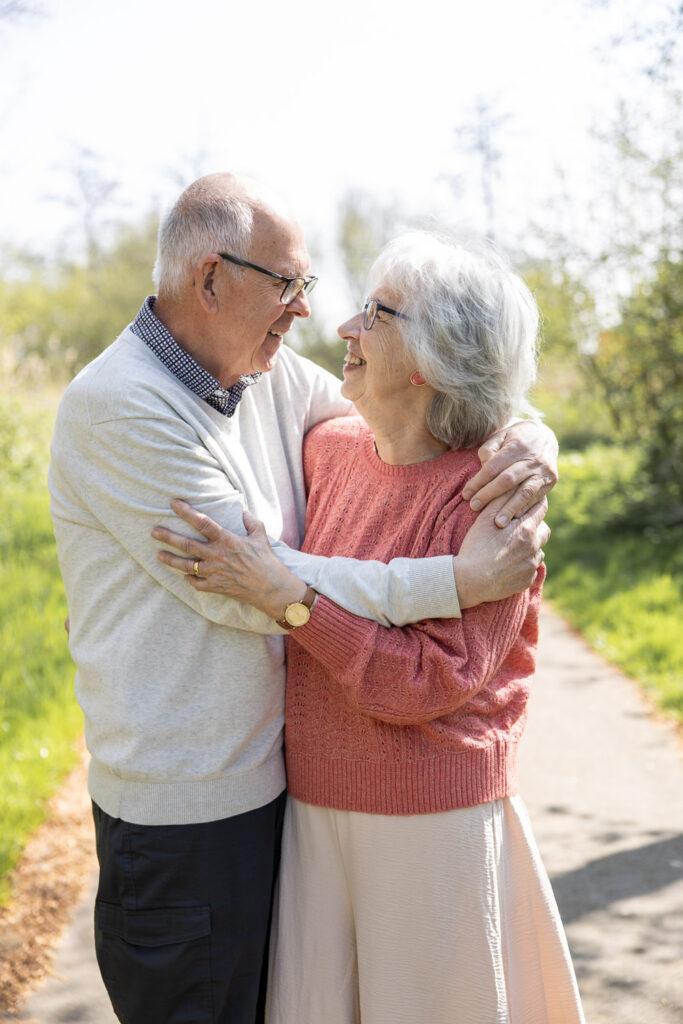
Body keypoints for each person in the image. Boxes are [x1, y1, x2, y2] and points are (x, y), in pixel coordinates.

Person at [49, 173, 557, 1024]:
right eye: (288, 284)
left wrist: (530, 439)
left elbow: (448, 395)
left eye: (311, 288)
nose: (310, 314)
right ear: (211, 280)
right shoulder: (121, 409)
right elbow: (249, 586)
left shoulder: (265, 377)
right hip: (188, 811)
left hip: (283, 791)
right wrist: (457, 581)